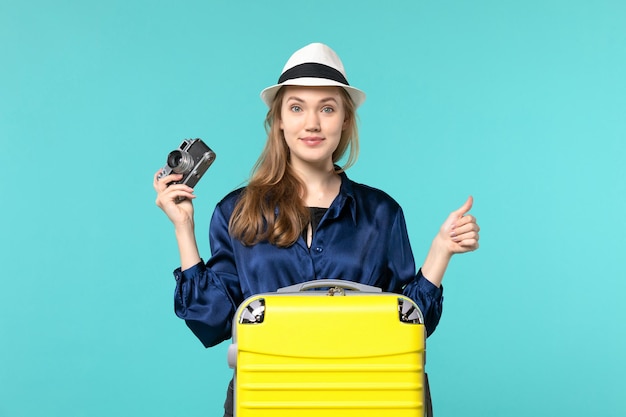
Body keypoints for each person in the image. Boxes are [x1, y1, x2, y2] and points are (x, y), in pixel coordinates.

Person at [154, 42, 480, 417]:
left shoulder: (381, 213)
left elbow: (408, 327)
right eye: (297, 108)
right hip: (267, 400)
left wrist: (441, 252)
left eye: (327, 108)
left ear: (344, 119)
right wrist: (184, 229)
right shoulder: (237, 211)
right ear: (278, 119)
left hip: (368, 400)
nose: (312, 123)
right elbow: (211, 322)